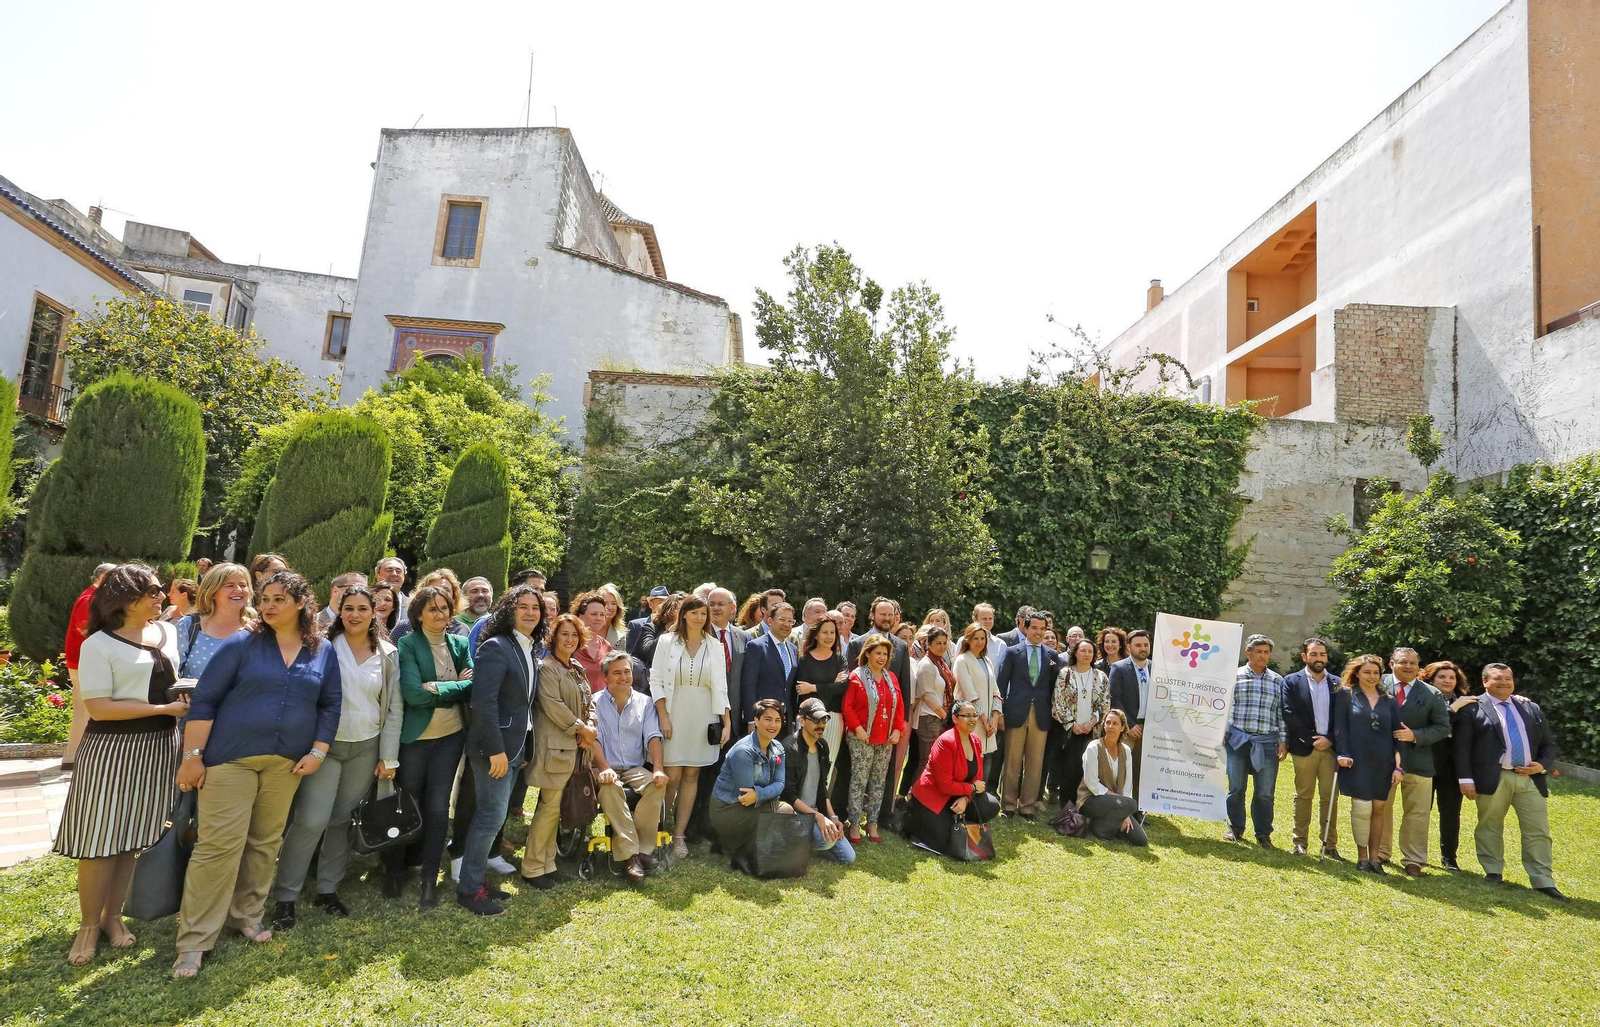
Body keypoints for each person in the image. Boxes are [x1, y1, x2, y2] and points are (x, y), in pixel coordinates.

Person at [171, 570, 341, 979]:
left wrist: (319, 750)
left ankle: (245, 916)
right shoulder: (240, 644)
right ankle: (194, 943)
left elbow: (330, 704)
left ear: (302, 602)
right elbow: (205, 700)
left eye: (278, 599)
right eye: (264, 598)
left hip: (286, 763)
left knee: (265, 843)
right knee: (218, 847)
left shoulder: (321, 650)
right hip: (230, 759)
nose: (267, 606)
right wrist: (193, 755)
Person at [53, 565, 189, 966]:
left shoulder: (168, 632)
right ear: (124, 597)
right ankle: (88, 926)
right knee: (99, 841)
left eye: (159, 590)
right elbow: (99, 707)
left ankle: (113, 918)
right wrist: (165, 707)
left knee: (132, 836)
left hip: (159, 747)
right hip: (113, 750)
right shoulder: (99, 643)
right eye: (151, 591)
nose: (160, 596)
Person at [270, 585, 401, 928]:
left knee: (342, 820)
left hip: (365, 746)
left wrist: (388, 756)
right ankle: (285, 896)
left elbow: (393, 708)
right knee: (311, 820)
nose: (355, 614)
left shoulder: (387, 653)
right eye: (348, 608)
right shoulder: (321, 647)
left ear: (375, 612)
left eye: (362, 608)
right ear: (339, 611)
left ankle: (327, 889)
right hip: (325, 747)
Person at [454, 585, 543, 915]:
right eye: (523, 606)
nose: (530, 612)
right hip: (494, 749)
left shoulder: (528, 648)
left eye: (536, 607)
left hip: (515, 747)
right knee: (489, 817)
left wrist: (523, 746)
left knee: (493, 817)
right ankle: (469, 890)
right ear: (509, 610)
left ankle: (475, 880)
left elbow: (523, 704)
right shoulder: (495, 646)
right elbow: (483, 702)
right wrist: (496, 751)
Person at [383, 584, 473, 909]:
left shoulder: (461, 643)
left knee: (438, 809)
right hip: (416, 740)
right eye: (432, 608)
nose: (440, 614)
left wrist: (437, 686)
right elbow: (413, 694)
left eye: (444, 608)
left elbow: (472, 686)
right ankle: (393, 870)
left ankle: (428, 880)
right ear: (419, 614)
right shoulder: (407, 643)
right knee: (406, 805)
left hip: (451, 738)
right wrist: (454, 687)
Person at [1454, 663, 1565, 900]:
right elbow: (1461, 748)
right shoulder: (1472, 709)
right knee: (1490, 825)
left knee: (1538, 830)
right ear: (1485, 682)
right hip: (1493, 777)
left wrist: (1542, 765)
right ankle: (1493, 871)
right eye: (1497, 679)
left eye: (1508, 678)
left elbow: (1549, 744)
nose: (1504, 682)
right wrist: (1465, 778)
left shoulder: (1530, 707)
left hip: (1530, 779)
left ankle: (1543, 880)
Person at [520, 613, 598, 890]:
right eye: (564, 634)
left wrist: (590, 727)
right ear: (554, 637)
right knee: (549, 808)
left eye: (574, 635)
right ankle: (531, 867)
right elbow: (552, 705)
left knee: (556, 810)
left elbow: (590, 702)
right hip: (555, 748)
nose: (570, 639)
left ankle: (548, 864)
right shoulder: (547, 667)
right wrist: (580, 728)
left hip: (576, 748)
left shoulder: (575, 667)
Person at [651, 595, 731, 859]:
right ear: (684, 614)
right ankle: (658, 829)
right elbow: (657, 681)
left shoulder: (715, 645)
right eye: (694, 612)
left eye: (703, 614)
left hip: (704, 713)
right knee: (671, 776)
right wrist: (663, 716)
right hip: (674, 712)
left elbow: (720, 686)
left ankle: (679, 835)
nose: (699, 618)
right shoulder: (666, 641)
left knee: (691, 776)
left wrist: (726, 721)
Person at [592, 651, 670, 881]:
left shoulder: (644, 703)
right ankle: (631, 856)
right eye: (617, 673)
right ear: (605, 677)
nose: (623, 677)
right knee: (609, 787)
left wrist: (657, 768)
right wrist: (604, 767)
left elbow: (653, 736)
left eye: (627, 672)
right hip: (604, 766)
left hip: (634, 768)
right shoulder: (594, 702)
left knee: (656, 785)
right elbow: (593, 740)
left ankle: (643, 851)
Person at [1376, 647, 1452, 877]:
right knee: (1381, 807)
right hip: (1382, 760)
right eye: (1403, 662)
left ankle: (1414, 860)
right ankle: (1380, 852)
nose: (1408, 666)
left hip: (1419, 760)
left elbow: (1442, 727)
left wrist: (1415, 735)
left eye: (1413, 663)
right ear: (1391, 664)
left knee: (1418, 813)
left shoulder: (1431, 693)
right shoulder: (1375, 684)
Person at [845, 598, 914, 825]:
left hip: (889, 727)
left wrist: (900, 725)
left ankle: (881, 818)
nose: (887, 619)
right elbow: (850, 690)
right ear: (872, 615)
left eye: (890, 615)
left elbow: (903, 689)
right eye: (882, 614)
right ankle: (851, 818)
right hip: (861, 726)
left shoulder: (901, 647)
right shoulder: (857, 644)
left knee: (883, 775)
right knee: (858, 775)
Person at [1334, 654, 1403, 874]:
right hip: (1357, 760)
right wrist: (1342, 753)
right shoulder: (1346, 695)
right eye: (1367, 672)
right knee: (1362, 808)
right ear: (1356, 673)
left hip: (1384, 762)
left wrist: (1399, 767)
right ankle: (1361, 856)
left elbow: (1398, 734)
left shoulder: (1389, 700)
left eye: (1376, 672)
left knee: (1379, 808)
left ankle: (1375, 859)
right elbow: (1340, 727)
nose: (1372, 676)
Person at [709, 698, 795, 870]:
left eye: (778, 720)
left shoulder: (778, 747)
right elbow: (746, 798)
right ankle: (741, 852)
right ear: (756, 720)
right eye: (767, 719)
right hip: (728, 808)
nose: (773, 725)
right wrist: (764, 795)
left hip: (754, 803)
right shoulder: (743, 751)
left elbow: (780, 784)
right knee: (785, 810)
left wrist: (760, 794)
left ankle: (742, 848)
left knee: (783, 810)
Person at [908, 700, 999, 857]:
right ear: (955, 718)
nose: (972, 719)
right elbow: (945, 785)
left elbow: (978, 778)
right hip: (932, 798)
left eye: (974, 715)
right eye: (967, 715)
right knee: (948, 843)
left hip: (957, 795)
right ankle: (912, 822)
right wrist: (971, 789)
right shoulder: (945, 742)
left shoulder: (976, 741)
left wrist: (965, 798)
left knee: (991, 805)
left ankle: (957, 819)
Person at [1224, 634, 1288, 846]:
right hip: (1238, 741)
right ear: (1247, 653)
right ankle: (1236, 828)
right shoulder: (1234, 676)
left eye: (1266, 652)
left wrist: (1283, 740)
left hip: (1267, 743)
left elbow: (1281, 713)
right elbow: (1223, 708)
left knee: (1265, 793)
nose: (1262, 655)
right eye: (1258, 651)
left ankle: (1263, 834)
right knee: (1236, 788)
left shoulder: (1278, 680)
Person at [841, 636, 905, 843]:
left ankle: (873, 822)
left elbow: (900, 706)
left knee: (878, 783)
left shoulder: (891, 677)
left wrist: (898, 729)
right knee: (859, 781)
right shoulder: (856, 676)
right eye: (877, 653)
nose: (882, 657)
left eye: (885, 654)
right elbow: (847, 706)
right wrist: (857, 729)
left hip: (885, 739)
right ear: (867, 653)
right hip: (862, 737)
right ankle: (853, 823)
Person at [1283, 637, 1342, 858]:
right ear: (1304, 656)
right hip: (1304, 748)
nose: (1319, 659)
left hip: (1330, 749)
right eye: (1314, 654)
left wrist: (1329, 739)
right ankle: (1300, 842)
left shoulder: (1338, 683)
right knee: (1303, 795)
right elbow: (1289, 712)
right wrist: (1311, 739)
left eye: (1322, 654)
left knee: (1330, 798)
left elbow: (1343, 717)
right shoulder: (1291, 681)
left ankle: (1329, 844)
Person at [996, 612, 1058, 819]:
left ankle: (1027, 806)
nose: (1039, 632)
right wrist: (1000, 713)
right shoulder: (1013, 652)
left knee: (1035, 761)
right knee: (1012, 760)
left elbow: (1053, 688)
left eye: (1043, 629)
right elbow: (1001, 683)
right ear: (1026, 628)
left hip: (1040, 714)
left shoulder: (1052, 655)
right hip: (1016, 712)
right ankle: (1009, 805)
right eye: (1035, 628)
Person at [782, 697, 856, 864]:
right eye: (815, 719)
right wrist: (817, 817)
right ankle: (802, 843)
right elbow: (789, 796)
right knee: (826, 841)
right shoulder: (788, 748)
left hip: (817, 815)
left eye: (824, 719)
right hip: (796, 815)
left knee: (848, 858)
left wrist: (833, 817)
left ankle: (805, 848)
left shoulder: (823, 746)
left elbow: (823, 787)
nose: (821, 724)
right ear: (801, 720)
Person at [1420, 660, 1476, 870]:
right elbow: (1435, 726)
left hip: (1452, 766)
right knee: (1421, 811)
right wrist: (1454, 708)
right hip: (1427, 762)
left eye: (1452, 677)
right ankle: (1417, 854)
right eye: (1442, 676)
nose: (1447, 680)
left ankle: (1449, 858)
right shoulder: (1423, 699)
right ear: (1431, 679)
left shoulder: (1466, 702)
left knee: (1451, 813)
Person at [61, 563, 116, 767]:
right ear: (101, 577)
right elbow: (90, 632)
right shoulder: (90, 599)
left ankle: (75, 755)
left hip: (82, 662)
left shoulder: (92, 597)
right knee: (84, 710)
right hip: (82, 663)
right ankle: (73, 756)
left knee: (84, 709)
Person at [1053, 638, 1109, 807]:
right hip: (1071, 731)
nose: (1087, 654)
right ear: (1075, 652)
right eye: (1083, 650)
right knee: (1069, 769)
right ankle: (1067, 807)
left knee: (1088, 769)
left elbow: (1105, 703)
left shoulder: (1101, 676)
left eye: (1090, 651)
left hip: (1092, 731)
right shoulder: (1065, 674)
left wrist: (1092, 722)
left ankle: (1084, 806)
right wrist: (1072, 723)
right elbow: (1058, 701)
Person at [1078, 709, 1147, 846]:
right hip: (1092, 800)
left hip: (1118, 804)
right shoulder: (1093, 748)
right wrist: (1121, 803)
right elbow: (1092, 784)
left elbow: (1127, 786)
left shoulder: (1126, 751)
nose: (1110, 726)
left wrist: (1125, 813)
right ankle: (1105, 830)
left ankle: (1101, 825)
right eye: (1108, 723)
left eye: (1115, 724)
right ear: (1103, 726)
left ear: (1122, 728)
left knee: (1141, 840)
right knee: (1132, 804)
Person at [175, 563, 255, 681]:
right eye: (229, 585)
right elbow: (172, 673)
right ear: (212, 592)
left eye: (243, 585)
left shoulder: (255, 629)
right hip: (196, 698)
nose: (238, 590)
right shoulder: (189, 626)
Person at [791, 618, 848, 781]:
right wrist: (831, 686)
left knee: (828, 765)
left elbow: (842, 687)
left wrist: (814, 687)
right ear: (816, 635)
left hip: (834, 719)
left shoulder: (840, 659)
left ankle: (823, 803)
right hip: (810, 719)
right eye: (825, 632)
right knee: (808, 764)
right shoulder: (804, 659)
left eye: (832, 632)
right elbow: (803, 691)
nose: (829, 636)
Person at [954, 623, 1005, 783]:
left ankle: (981, 797)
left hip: (989, 722)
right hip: (972, 719)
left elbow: (996, 691)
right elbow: (970, 694)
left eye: (983, 638)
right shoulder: (962, 660)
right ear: (968, 639)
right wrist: (983, 719)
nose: (979, 642)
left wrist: (994, 719)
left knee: (987, 759)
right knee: (971, 759)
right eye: (975, 638)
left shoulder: (987, 660)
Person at [1107, 629, 1153, 796]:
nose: (1143, 648)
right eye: (1138, 645)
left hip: (1149, 728)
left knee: (1143, 771)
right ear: (1128, 647)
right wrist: (1129, 724)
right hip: (1127, 728)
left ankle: (1138, 810)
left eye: (1146, 645)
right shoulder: (1119, 668)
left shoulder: (1157, 668)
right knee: (1121, 769)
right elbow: (1114, 698)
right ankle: (1118, 805)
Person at [740, 602, 798, 728]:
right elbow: (749, 685)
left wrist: (792, 720)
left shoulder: (793, 649)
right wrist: (751, 720)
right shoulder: (756, 646)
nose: (786, 624)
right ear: (770, 621)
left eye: (790, 621)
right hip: (762, 719)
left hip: (785, 720)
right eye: (782, 619)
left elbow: (790, 687)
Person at [910, 626, 955, 779]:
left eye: (944, 643)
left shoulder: (941, 663)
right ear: (928, 644)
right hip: (929, 718)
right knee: (927, 761)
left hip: (939, 717)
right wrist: (945, 716)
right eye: (938, 643)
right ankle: (916, 798)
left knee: (937, 761)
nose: (942, 647)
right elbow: (927, 695)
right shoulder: (927, 664)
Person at [390, 569, 469, 643]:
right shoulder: (404, 627)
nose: (440, 594)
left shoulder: (461, 630)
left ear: (454, 597)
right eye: (434, 589)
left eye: (446, 590)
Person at [571, 592, 615, 692]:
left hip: (601, 705)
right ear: (581, 617)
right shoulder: (572, 645)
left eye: (602, 615)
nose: (599, 618)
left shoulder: (606, 646)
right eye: (594, 614)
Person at [626, 586, 669, 656]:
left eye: (667, 603)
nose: (664, 606)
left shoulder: (670, 627)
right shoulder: (636, 625)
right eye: (661, 602)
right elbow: (630, 656)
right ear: (650, 604)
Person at [373, 556, 409, 623]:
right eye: (389, 570)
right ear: (378, 575)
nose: (394, 574)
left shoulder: (412, 605)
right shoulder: (367, 601)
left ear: (404, 576)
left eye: (398, 571)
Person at [596, 582, 628, 647]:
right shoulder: (585, 630)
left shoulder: (620, 636)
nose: (610, 607)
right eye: (605, 603)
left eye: (613, 603)